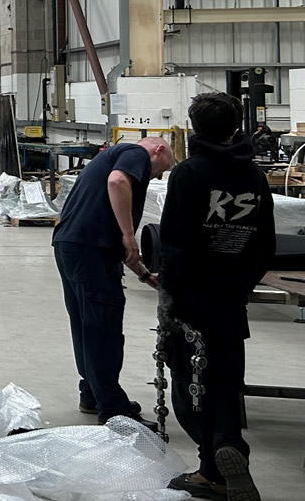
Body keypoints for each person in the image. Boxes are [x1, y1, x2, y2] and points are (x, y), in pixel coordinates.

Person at [158, 94, 274, 501]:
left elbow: (174, 242)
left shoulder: (189, 173)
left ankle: (212, 468)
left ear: (194, 127)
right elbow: (265, 242)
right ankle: (230, 444)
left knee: (191, 384)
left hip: (192, 298)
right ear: (236, 126)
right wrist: (242, 283)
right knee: (225, 378)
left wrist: (169, 295)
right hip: (231, 298)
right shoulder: (254, 175)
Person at [52, 136, 177, 425]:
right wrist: (129, 235)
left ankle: (92, 395)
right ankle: (113, 409)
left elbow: (110, 227)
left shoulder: (111, 156)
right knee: (103, 329)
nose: (155, 176)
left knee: (86, 326)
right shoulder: (135, 153)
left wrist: (143, 274)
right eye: (161, 169)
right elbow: (117, 182)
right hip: (90, 250)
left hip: (72, 246)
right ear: (158, 150)